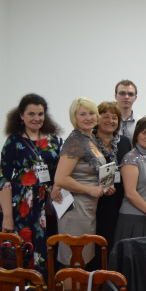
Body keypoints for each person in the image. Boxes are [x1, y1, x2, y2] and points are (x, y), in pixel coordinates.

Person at [0, 94, 63, 280]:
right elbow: (4, 180)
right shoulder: (13, 142)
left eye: (40, 114)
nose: (36, 118)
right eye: (31, 113)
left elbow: (61, 174)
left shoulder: (55, 141)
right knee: (23, 252)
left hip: (48, 206)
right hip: (21, 206)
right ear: (21, 116)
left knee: (49, 250)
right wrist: (8, 217)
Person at [54, 98, 112, 266]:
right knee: (73, 260)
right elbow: (61, 178)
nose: (89, 117)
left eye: (92, 113)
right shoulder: (75, 141)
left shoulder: (90, 138)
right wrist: (89, 190)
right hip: (75, 209)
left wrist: (103, 187)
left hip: (88, 208)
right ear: (75, 118)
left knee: (83, 257)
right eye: (83, 114)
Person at [88, 101, 132, 271]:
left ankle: (111, 277)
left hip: (118, 199)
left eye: (114, 117)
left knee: (114, 239)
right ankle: (95, 278)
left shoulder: (125, 142)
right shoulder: (88, 141)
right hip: (93, 199)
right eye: (105, 116)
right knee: (95, 240)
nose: (110, 120)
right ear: (97, 119)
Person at [115, 116, 146, 240]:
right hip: (133, 218)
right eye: (144, 133)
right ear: (137, 135)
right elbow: (130, 193)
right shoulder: (130, 158)